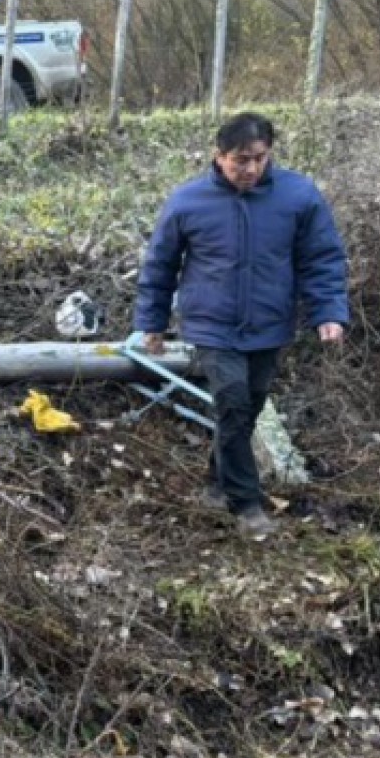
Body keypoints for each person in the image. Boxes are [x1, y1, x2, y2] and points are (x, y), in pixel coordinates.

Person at [135, 112, 349, 537]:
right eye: (240, 160)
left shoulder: (298, 197)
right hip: (211, 323)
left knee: (246, 407)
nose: (250, 169)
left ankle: (216, 481)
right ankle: (247, 503)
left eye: (258, 159)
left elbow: (321, 259)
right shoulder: (188, 202)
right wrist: (152, 322)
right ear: (219, 156)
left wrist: (329, 312)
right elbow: (160, 265)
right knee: (232, 400)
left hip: (269, 321)